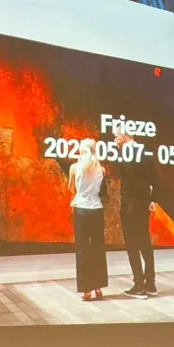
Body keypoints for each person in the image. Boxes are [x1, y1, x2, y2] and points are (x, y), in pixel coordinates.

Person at [114, 129, 158, 298]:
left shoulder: (127, 153)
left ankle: (139, 285)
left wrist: (142, 194)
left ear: (124, 137)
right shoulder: (143, 151)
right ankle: (150, 283)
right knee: (145, 241)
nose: (115, 140)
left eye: (116, 136)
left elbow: (131, 180)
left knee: (132, 244)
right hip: (142, 204)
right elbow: (154, 178)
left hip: (131, 204)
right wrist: (150, 198)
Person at [68, 138, 108, 302]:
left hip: (82, 210)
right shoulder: (102, 169)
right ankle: (98, 287)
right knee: (98, 247)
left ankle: (86, 289)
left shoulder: (74, 167)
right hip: (97, 210)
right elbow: (103, 192)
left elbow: (71, 188)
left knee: (82, 249)